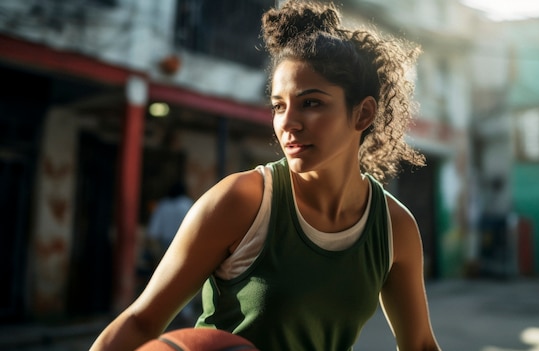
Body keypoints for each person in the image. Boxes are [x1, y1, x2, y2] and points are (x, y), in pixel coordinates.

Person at [90, 1, 440, 350]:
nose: (287, 123)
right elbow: (141, 321)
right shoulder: (241, 202)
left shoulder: (394, 229)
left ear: (363, 114)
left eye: (311, 103)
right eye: (279, 106)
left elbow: (420, 344)